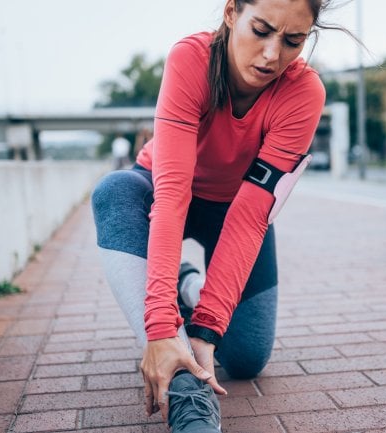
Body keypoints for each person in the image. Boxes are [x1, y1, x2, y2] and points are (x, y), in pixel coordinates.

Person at [91, 1, 350, 431]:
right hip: (165, 189)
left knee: (247, 358)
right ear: (231, 13)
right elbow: (171, 196)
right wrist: (159, 328)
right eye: (261, 30)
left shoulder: (304, 92)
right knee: (113, 190)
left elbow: (251, 217)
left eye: (293, 41)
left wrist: (208, 328)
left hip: (235, 207)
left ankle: (187, 281)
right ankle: (181, 381)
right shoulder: (191, 59)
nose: (272, 55)